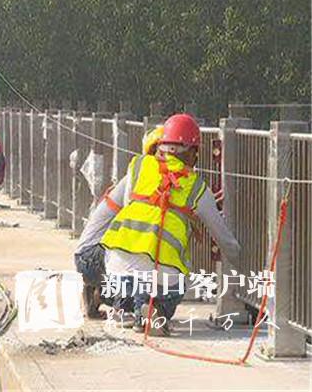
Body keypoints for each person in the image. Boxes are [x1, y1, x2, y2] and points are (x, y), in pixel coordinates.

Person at [77, 114, 241, 335]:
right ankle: (156, 311)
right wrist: (246, 264)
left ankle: (131, 308)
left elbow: (128, 208)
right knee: (175, 283)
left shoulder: (138, 167)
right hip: (163, 278)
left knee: (128, 276)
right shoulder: (197, 188)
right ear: (192, 152)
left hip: (118, 267)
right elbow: (227, 243)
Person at [74, 125, 165, 321]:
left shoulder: (145, 177)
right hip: (92, 256)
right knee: (137, 256)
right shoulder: (140, 178)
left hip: (89, 256)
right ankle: (119, 306)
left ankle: (98, 294)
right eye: (163, 151)